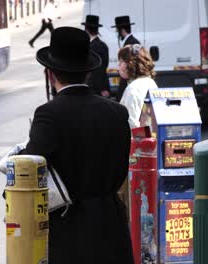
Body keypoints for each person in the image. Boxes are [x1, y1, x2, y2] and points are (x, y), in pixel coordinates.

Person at [22, 27, 133, 263]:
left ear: (50, 74)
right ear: (88, 73)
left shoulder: (49, 114)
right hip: (111, 225)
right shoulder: (117, 112)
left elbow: (29, 167)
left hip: (69, 228)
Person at [118, 44, 158, 129]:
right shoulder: (150, 82)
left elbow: (131, 124)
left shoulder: (132, 89)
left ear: (130, 64)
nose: (119, 66)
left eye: (121, 62)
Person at [112, 15, 141, 101]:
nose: (116, 32)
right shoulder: (130, 42)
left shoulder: (132, 43)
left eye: (117, 30)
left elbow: (133, 66)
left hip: (129, 81)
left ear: (122, 30)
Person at [81, 15, 110, 97]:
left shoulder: (93, 47)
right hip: (98, 87)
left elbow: (99, 69)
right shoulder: (103, 45)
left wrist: (102, 88)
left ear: (86, 30)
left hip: (96, 89)